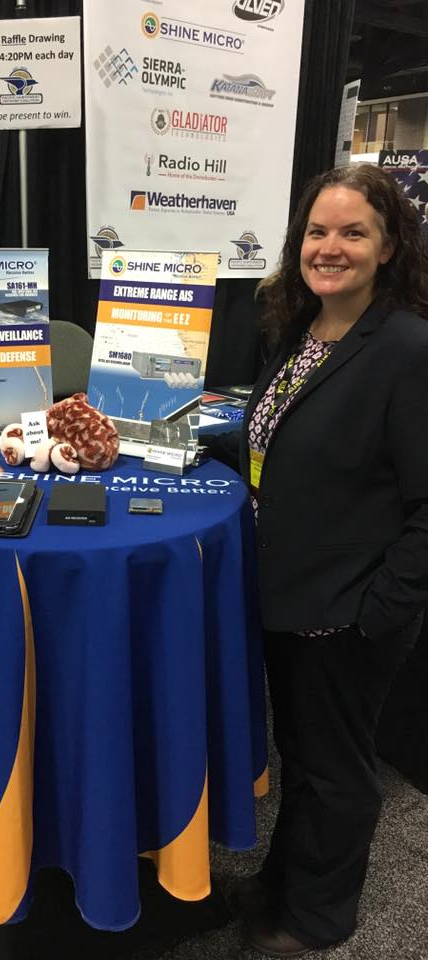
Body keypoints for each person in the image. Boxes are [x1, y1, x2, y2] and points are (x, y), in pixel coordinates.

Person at [205, 164, 428, 956]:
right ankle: (282, 885)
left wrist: (379, 613)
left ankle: (319, 918)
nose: (329, 247)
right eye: (317, 231)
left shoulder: (405, 348)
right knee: (302, 757)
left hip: (347, 612)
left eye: (353, 232)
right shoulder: (306, 331)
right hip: (289, 594)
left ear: (390, 245)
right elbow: (276, 448)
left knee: (336, 772)